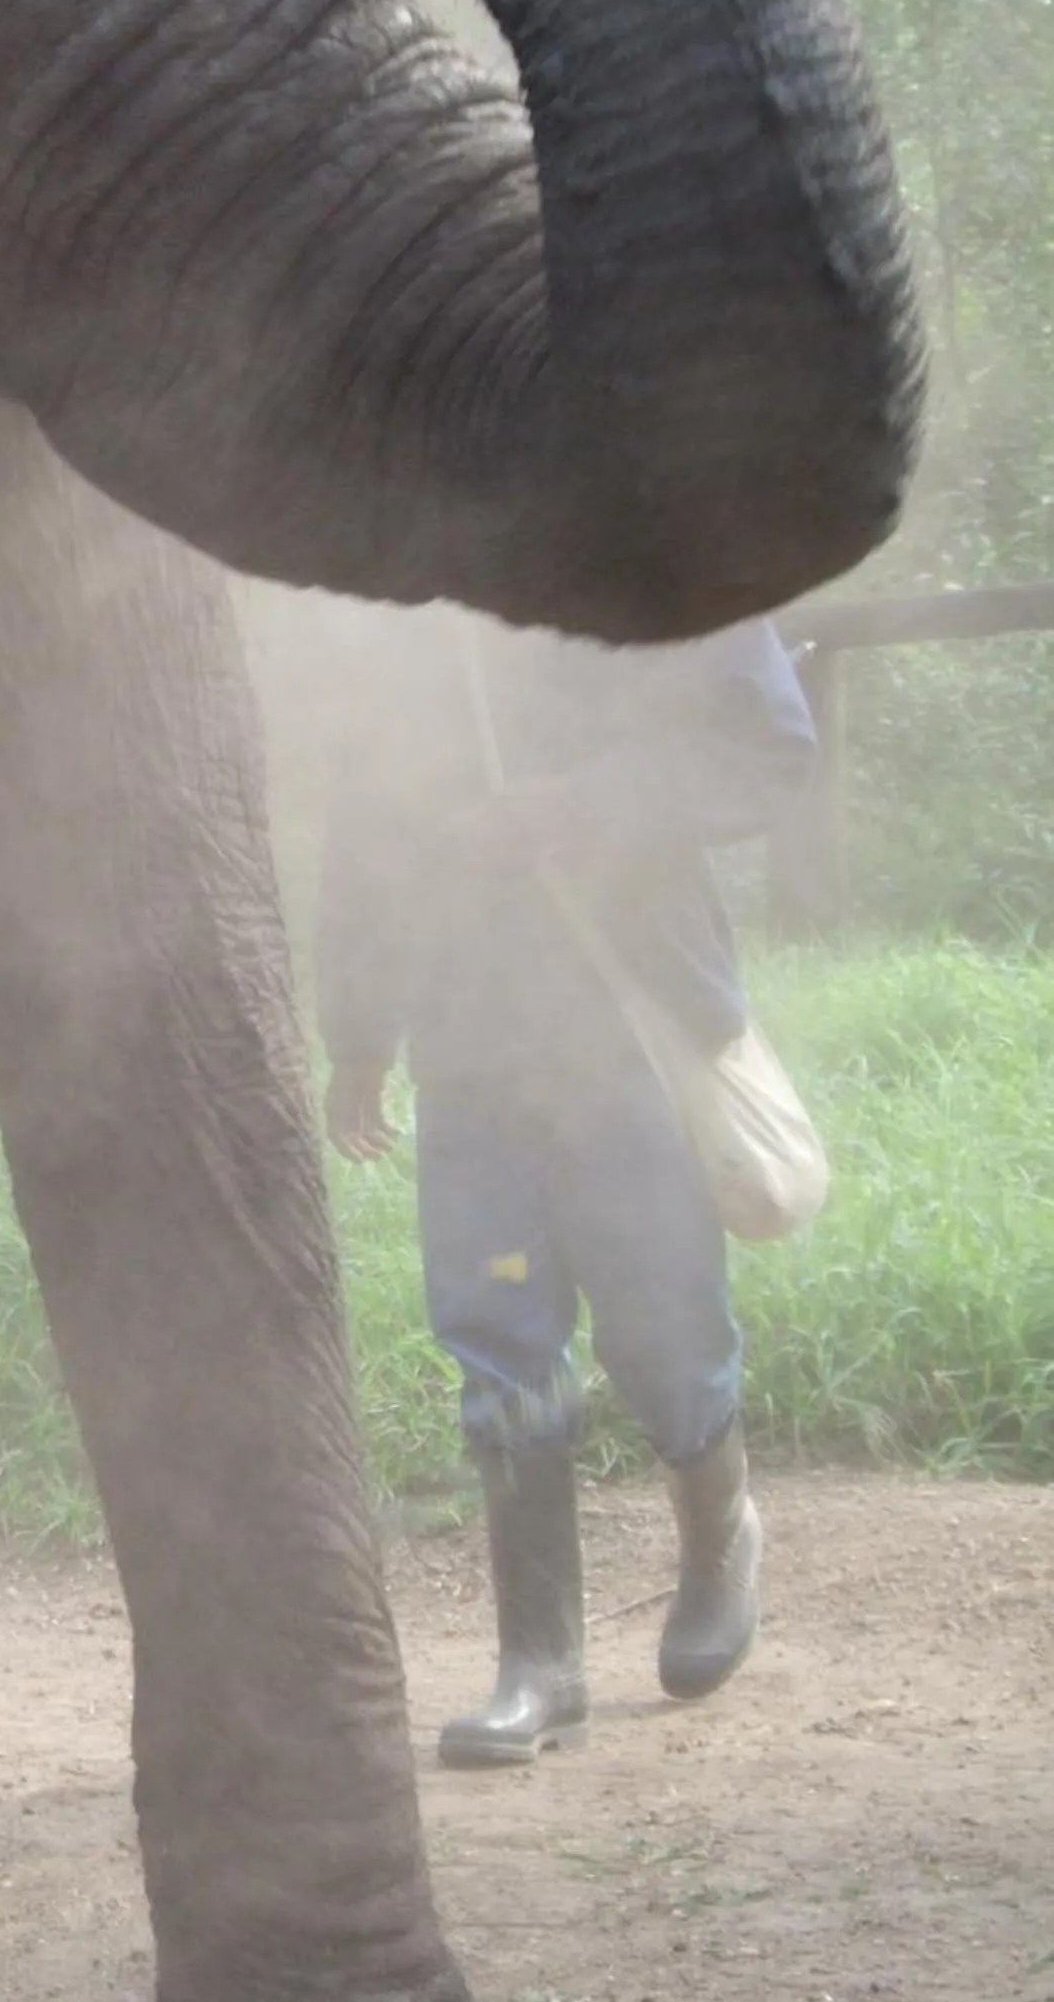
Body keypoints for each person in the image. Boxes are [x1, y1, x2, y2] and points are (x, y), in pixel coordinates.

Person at [314, 603, 817, 1767]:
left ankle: (720, 1529)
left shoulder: (662, 556)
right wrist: (359, 1028)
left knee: (660, 1318)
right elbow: (365, 823)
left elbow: (766, 748)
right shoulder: (409, 604)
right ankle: (540, 1665)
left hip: (627, 1014)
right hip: (468, 1031)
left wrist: (583, 806)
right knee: (498, 1331)